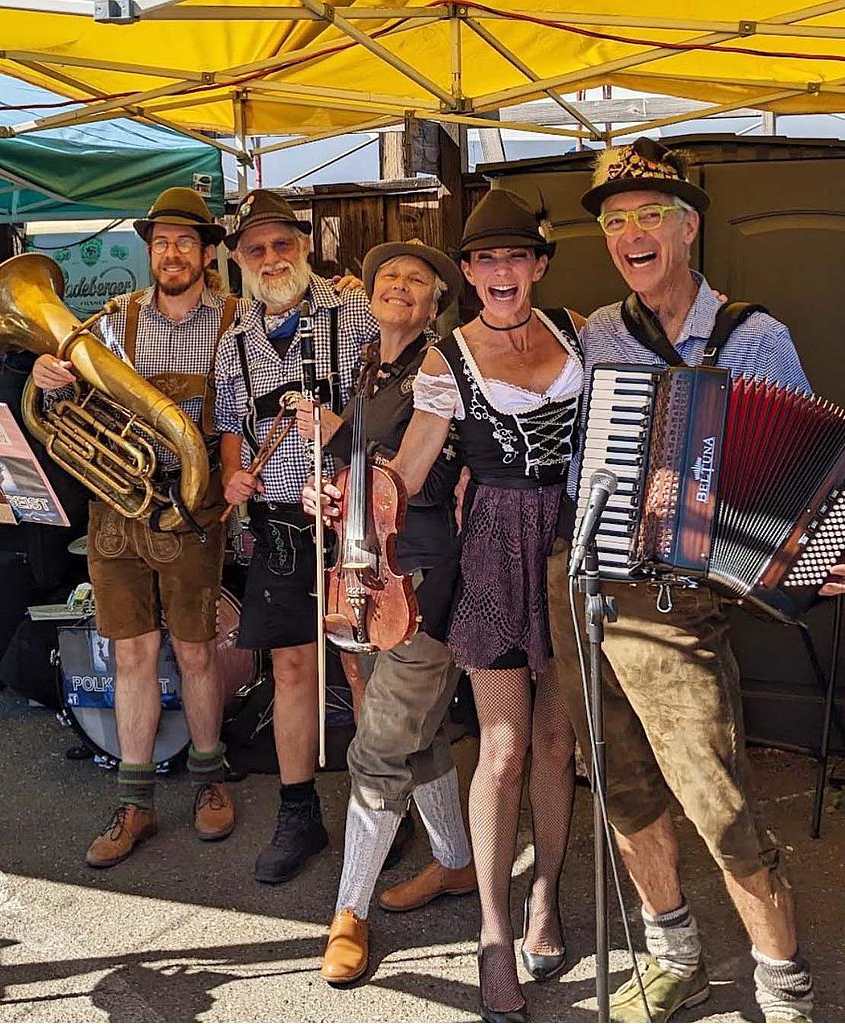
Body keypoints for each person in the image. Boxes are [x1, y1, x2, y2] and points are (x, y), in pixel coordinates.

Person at [547, 137, 845, 1023]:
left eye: (650, 216)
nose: (631, 234)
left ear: (688, 229)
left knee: (716, 801)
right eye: (615, 222)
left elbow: (814, 470)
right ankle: (672, 950)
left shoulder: (752, 337)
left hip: (679, 603)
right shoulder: (599, 333)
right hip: (589, 588)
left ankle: (782, 985)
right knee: (623, 786)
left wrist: (833, 548)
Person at [379, 190, 584, 1021]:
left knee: (555, 738)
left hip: (573, 539)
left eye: (517, 257)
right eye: (486, 260)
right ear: (467, 274)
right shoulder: (445, 361)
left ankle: (548, 897)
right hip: (496, 546)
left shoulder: (579, 331)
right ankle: (494, 933)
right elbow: (414, 470)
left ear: (537, 266)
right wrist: (361, 494)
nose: (503, 272)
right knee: (499, 746)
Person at [32, 186, 240, 867]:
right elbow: (67, 401)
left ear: (208, 253)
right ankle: (136, 800)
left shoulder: (234, 320)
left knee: (199, 651)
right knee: (130, 656)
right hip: (117, 515)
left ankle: (209, 779)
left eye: (185, 241)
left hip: (189, 513)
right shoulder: (112, 319)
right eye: (160, 242)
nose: (171, 253)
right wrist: (47, 379)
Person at [295, 239, 477, 984]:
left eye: (417, 279)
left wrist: (357, 473)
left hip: (424, 578)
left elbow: (435, 475)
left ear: (437, 301)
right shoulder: (369, 364)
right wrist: (327, 490)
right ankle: (457, 864)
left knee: (377, 748)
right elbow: (360, 471)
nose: (399, 285)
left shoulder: (443, 370)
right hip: (369, 569)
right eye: (388, 277)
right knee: (419, 734)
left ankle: (350, 912)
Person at [214, 189, 371, 885]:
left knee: (365, 670)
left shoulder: (355, 312)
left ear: (302, 248)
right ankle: (299, 812)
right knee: (291, 672)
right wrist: (231, 475)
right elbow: (229, 423)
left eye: (283, 245)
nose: (272, 258)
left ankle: (379, 809)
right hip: (279, 518)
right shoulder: (236, 338)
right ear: (241, 261)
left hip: (358, 514)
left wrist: (341, 435)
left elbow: (398, 404)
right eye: (257, 249)